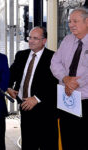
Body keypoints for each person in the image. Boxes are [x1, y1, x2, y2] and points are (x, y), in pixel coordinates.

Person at [7, 26, 58, 150]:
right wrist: (9, 87)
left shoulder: (53, 57)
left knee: (47, 144)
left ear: (44, 41)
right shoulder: (21, 55)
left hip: (45, 109)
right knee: (29, 143)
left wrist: (36, 98)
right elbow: (11, 73)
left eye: (35, 38)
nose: (31, 41)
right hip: (25, 107)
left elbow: (55, 83)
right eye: (30, 37)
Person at [50, 7, 88, 150]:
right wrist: (65, 79)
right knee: (67, 140)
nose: (71, 24)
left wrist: (76, 83)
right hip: (66, 100)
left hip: (85, 101)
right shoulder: (67, 40)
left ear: (87, 21)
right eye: (69, 21)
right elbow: (55, 62)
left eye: (75, 21)